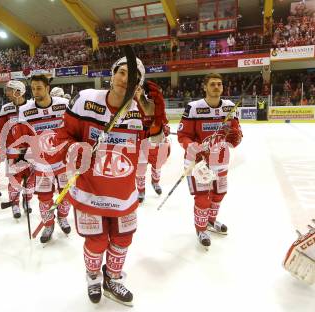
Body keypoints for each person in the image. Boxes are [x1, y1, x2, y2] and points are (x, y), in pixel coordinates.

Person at [55, 56, 166, 305]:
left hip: (123, 191)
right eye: (122, 72)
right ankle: (93, 276)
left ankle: (112, 277)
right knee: (96, 241)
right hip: (89, 189)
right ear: (113, 73)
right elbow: (64, 135)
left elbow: (157, 142)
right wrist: (75, 150)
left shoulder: (141, 109)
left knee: (123, 239)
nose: (125, 79)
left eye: (133, 76)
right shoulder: (85, 100)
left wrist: (157, 116)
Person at [177, 73, 243, 248]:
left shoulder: (230, 107)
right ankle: (200, 229)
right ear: (204, 87)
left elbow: (235, 132)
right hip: (198, 162)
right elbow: (183, 135)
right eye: (212, 84)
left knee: (219, 194)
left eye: (219, 84)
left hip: (220, 160)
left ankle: (210, 221)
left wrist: (235, 137)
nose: (216, 87)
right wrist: (191, 146)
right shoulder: (193, 108)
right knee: (202, 198)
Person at [14, 75, 71, 243]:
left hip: (63, 161)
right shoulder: (25, 110)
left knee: (65, 195)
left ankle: (62, 217)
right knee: (44, 197)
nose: (36, 91)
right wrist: (21, 156)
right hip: (42, 164)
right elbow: (23, 136)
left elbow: (73, 128)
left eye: (39, 88)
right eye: (33, 88)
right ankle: (48, 224)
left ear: (47, 88)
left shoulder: (64, 104)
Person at [0, 80, 33, 218]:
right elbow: (0, 131)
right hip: (13, 152)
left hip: (31, 152)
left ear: (18, 91)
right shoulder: (5, 108)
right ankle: (15, 204)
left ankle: (26, 201)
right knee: (14, 179)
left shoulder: (32, 106)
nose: (7, 93)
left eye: (9, 90)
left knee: (29, 180)